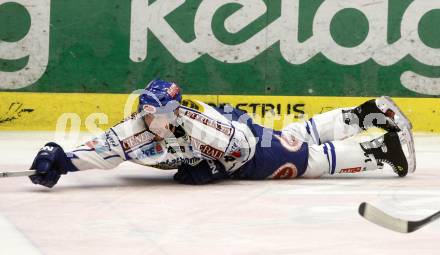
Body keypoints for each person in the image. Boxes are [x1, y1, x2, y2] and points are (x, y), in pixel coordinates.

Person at [29, 80, 416, 188]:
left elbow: (242, 150)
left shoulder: (202, 129)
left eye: (158, 113)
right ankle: (370, 114)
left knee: (303, 160)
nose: (151, 120)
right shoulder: (136, 131)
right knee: (294, 135)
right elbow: (103, 149)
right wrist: (59, 158)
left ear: (174, 111)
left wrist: (214, 171)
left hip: (240, 140)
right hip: (232, 126)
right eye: (147, 113)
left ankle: (384, 151)